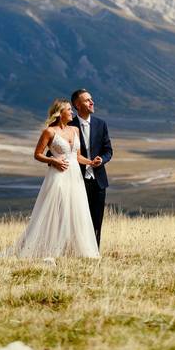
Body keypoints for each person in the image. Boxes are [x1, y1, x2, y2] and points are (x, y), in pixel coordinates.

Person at [0, 98, 100, 259]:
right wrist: (52, 160)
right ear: (60, 113)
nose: (72, 112)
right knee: (56, 212)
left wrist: (91, 162)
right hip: (59, 176)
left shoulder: (75, 130)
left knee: (77, 210)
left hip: (75, 176)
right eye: (69, 110)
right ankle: (49, 250)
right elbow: (37, 154)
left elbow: (77, 156)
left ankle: (74, 251)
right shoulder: (49, 132)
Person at [69, 89, 112, 247]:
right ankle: (77, 250)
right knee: (78, 219)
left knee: (96, 220)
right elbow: (54, 153)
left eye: (91, 99)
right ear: (77, 105)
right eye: (87, 100)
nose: (92, 102)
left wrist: (102, 159)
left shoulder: (101, 124)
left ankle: (95, 253)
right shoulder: (68, 125)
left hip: (99, 181)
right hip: (77, 180)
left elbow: (108, 151)